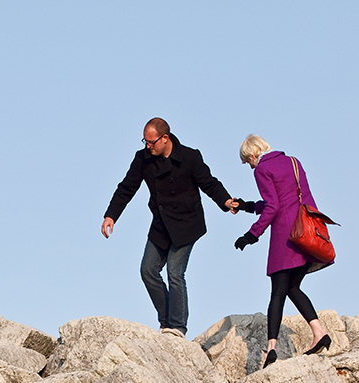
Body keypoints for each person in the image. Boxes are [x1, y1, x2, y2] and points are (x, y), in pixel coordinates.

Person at [102, 118, 238, 338]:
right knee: (147, 270)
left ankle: (177, 327)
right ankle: (166, 321)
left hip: (187, 224)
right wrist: (111, 215)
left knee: (175, 273)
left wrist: (225, 201)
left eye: (152, 142)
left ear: (165, 138)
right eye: (145, 141)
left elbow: (208, 182)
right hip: (161, 224)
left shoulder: (190, 157)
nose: (148, 146)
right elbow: (126, 187)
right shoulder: (143, 159)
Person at [233, 134, 331, 368]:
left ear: (253, 154)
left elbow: (274, 207)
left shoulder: (262, 170)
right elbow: (292, 198)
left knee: (277, 292)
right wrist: (248, 206)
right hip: (305, 233)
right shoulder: (294, 162)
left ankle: (271, 350)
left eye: (248, 161)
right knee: (292, 287)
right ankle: (319, 332)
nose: (250, 166)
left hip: (285, 237)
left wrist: (252, 234)